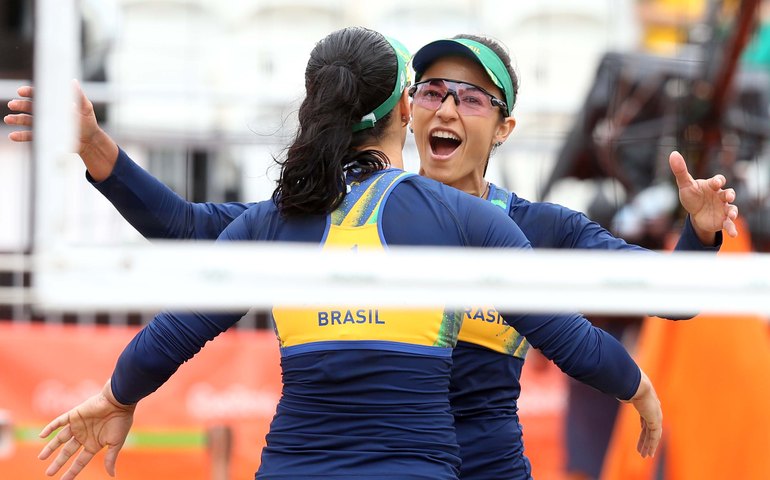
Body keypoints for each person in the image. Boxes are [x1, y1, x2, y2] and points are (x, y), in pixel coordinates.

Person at [7, 33, 734, 480]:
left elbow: (666, 294)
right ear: (404, 111)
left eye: (471, 98)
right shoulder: (334, 216)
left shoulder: (539, 228)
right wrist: (98, 151)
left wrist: (700, 235)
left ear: (506, 126)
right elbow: (191, 235)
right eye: (431, 91)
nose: (445, 108)